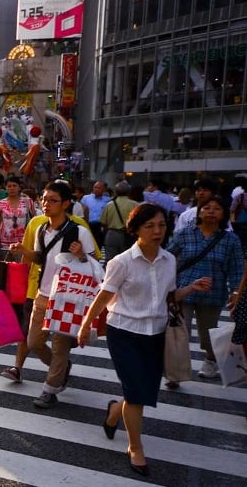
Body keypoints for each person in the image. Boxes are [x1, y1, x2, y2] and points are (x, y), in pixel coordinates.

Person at [78, 203, 211, 477]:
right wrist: (85, 324)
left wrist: (191, 288)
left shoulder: (169, 260)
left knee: (140, 392)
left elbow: (168, 296)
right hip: (124, 333)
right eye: (149, 226)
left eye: (161, 225)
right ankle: (135, 447)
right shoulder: (121, 262)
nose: (157, 231)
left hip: (156, 333)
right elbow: (103, 296)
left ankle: (115, 411)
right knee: (137, 394)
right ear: (136, 230)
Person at [8, 181, 97, 408]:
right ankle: (62, 369)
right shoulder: (40, 228)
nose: (46, 204)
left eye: (52, 200)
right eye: (44, 199)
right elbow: (40, 257)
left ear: (66, 204)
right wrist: (24, 252)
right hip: (43, 293)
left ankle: (50, 389)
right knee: (34, 341)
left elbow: (96, 266)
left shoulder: (79, 231)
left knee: (60, 347)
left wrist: (82, 257)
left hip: (67, 297)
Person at [167, 196, 244, 380]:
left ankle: (210, 360)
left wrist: (236, 292)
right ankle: (175, 372)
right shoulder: (185, 234)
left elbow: (237, 269)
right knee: (179, 332)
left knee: (208, 334)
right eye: (207, 208)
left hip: (213, 294)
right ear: (199, 212)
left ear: (224, 214)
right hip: (183, 292)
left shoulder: (230, 239)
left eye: (217, 208)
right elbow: (168, 257)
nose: (211, 211)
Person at [0, 176, 35, 255]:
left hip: (24, 242)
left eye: (14, 186)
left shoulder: (28, 202)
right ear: (6, 188)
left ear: (19, 187)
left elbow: (34, 222)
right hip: (5, 243)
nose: (12, 188)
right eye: (9, 186)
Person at [100, 181, 139, 264]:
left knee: (110, 260)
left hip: (112, 234)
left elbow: (103, 221)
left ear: (116, 192)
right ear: (129, 192)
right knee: (128, 260)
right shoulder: (135, 205)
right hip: (128, 235)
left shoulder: (109, 205)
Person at [81, 181, 111, 247]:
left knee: (98, 245)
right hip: (88, 225)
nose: (96, 189)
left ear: (104, 189)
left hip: (100, 227)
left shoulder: (108, 200)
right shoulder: (86, 198)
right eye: (95, 187)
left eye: (99, 188)